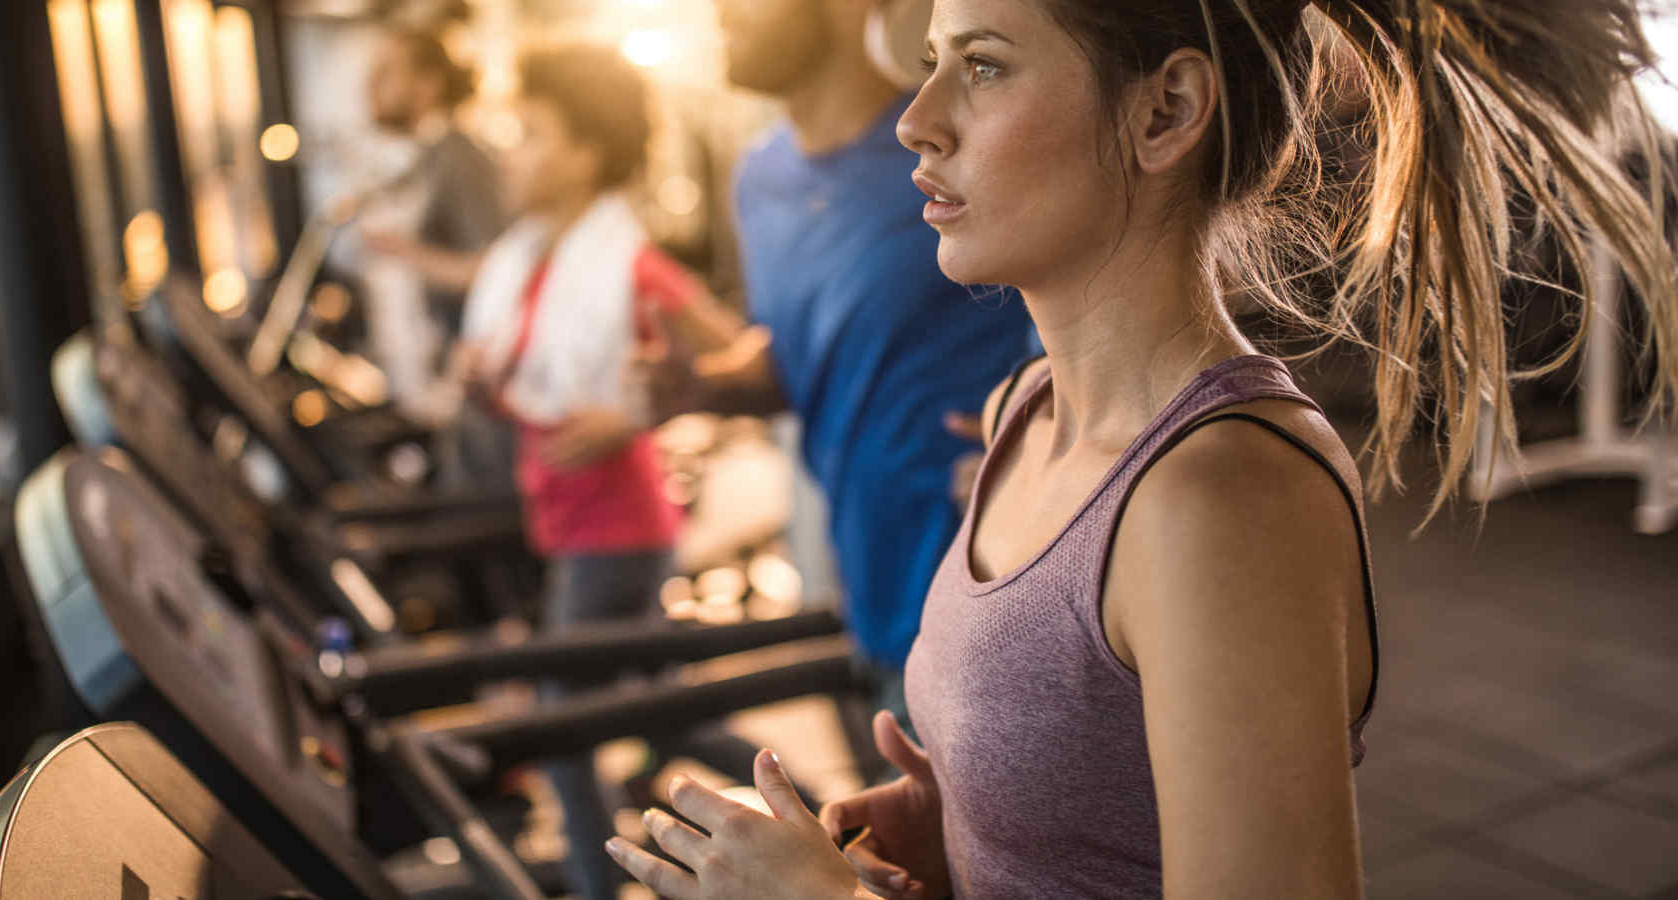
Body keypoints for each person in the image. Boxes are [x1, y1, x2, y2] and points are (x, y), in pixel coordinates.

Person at [607, 0, 1677, 897]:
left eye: (981, 67)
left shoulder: (1221, 499)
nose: (918, 123)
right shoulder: (1026, 409)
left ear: (1165, 110)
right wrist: (972, 820)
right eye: (933, 64)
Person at [638, 0, 1038, 734]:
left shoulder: (952, 153)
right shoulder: (760, 177)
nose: (721, 13)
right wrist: (709, 386)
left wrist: (1055, 433)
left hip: (996, 596)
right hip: (864, 584)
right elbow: (801, 357)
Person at [457, 44, 752, 900]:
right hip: (581, 522)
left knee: (564, 726)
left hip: (615, 531)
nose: (510, 151)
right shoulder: (532, 264)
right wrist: (482, 391)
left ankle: (597, 885)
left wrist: (633, 415)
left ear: (584, 153)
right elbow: (528, 391)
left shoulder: (626, 262)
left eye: (531, 135)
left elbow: (737, 357)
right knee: (674, 716)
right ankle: (825, 819)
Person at [358, 25, 513, 488]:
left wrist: (401, 251)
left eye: (386, 73)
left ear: (427, 84)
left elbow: (495, 269)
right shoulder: (426, 157)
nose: (370, 86)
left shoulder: (460, 156)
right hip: (432, 385)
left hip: (465, 386)